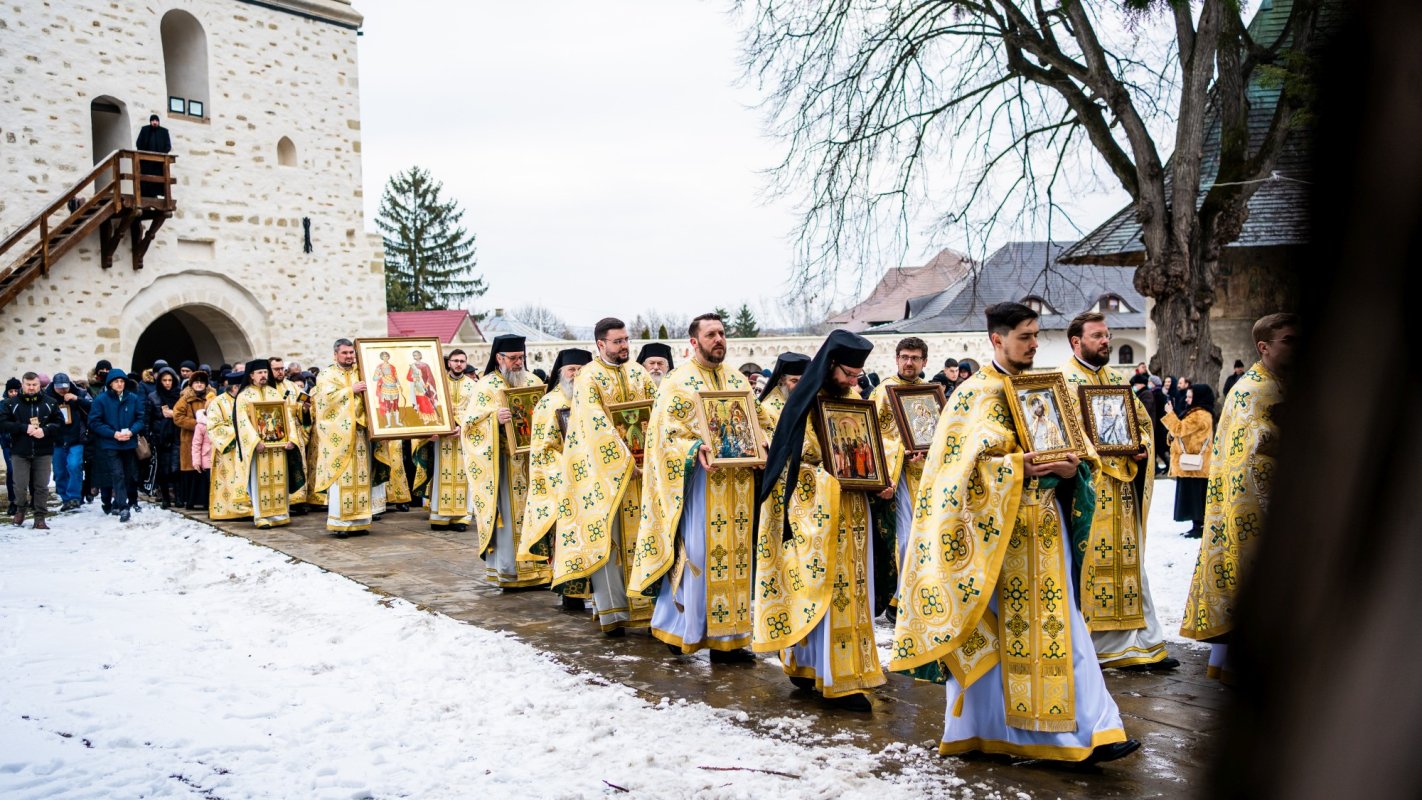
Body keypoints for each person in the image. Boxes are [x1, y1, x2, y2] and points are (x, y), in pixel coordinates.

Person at [892, 302, 1138, 764]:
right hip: (994, 541)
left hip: (1045, 529)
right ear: (996, 340)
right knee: (994, 633)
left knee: (1063, 626)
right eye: (1024, 336)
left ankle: (1094, 730)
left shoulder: (1047, 386)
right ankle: (981, 731)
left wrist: (1074, 467)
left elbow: (1080, 449)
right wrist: (1016, 467)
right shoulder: (973, 395)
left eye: (1035, 335)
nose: (1032, 344)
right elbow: (954, 475)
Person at [755, 330, 887, 711]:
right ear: (830, 366)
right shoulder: (803, 403)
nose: (852, 382)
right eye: (848, 374)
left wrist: (879, 475)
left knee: (851, 593)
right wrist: (833, 476)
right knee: (821, 592)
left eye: (858, 376)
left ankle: (831, 671)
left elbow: (872, 448)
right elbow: (797, 464)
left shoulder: (854, 401)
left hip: (854, 510)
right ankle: (830, 677)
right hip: (817, 511)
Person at [629, 313, 766, 663]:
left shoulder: (737, 379)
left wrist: (763, 444)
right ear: (694, 342)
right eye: (710, 334)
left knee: (736, 559)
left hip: (738, 487)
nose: (718, 339)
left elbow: (760, 422)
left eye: (722, 333)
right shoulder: (678, 382)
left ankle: (730, 640)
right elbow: (663, 436)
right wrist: (694, 449)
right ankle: (679, 630)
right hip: (699, 486)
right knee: (700, 558)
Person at [1181, 312, 1296, 683]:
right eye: (1289, 341)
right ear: (1264, 347)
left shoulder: (1281, 383)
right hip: (1251, 506)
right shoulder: (1251, 390)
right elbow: (1249, 456)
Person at [1061, 312, 1178, 672]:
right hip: (1090, 490)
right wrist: (1102, 452)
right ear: (1076, 342)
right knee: (1093, 566)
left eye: (1107, 335)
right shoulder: (1063, 382)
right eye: (1097, 336)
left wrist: (1141, 446)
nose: (1105, 342)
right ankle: (1099, 647)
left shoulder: (1116, 379)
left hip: (1123, 489)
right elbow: (1066, 434)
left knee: (1129, 565)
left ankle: (1142, 644)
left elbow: (1140, 423)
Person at [540, 319, 659, 635]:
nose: (624, 346)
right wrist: (625, 460)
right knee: (611, 541)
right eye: (617, 341)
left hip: (643, 475)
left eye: (626, 340)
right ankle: (613, 614)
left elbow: (656, 413)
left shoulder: (639, 373)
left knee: (646, 538)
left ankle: (648, 610)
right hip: (605, 477)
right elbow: (595, 427)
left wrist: (654, 454)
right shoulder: (588, 377)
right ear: (600, 344)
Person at [463, 334, 550, 588]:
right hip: (501, 467)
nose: (518, 363)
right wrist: (493, 419)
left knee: (536, 514)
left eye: (521, 357)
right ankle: (510, 571)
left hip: (531, 465)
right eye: (512, 358)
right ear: (499, 358)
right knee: (509, 521)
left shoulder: (532, 381)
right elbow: (470, 426)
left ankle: (539, 571)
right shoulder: (486, 386)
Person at [518, 348, 596, 611]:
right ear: (560, 373)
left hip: (598, 481)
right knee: (570, 540)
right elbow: (543, 448)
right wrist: (570, 469)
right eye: (571, 369)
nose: (576, 374)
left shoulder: (595, 399)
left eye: (581, 370)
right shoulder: (549, 403)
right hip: (567, 482)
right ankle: (571, 595)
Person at [868, 337, 933, 622]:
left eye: (915, 358)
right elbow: (870, 434)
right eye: (904, 357)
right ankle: (898, 598)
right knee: (904, 539)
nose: (909, 362)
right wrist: (900, 452)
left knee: (927, 537)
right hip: (899, 476)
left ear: (924, 362)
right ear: (896, 359)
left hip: (928, 474)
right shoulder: (883, 391)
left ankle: (920, 593)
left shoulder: (930, 392)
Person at [216, 360, 297, 528]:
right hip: (258, 448)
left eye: (265, 372)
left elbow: (287, 417)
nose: (263, 376)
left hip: (278, 446)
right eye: (260, 373)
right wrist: (255, 441)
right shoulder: (244, 396)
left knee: (279, 478)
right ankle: (262, 517)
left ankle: (280, 514)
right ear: (251, 375)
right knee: (261, 481)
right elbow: (242, 422)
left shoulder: (274, 393)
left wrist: (291, 438)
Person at [312, 339, 380, 537]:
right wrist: (351, 390)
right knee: (342, 478)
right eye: (345, 353)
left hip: (361, 433)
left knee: (362, 476)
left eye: (352, 352)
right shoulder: (326, 375)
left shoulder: (362, 371)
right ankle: (340, 522)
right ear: (335, 355)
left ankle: (361, 520)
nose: (349, 356)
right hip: (339, 436)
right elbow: (325, 401)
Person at [1, 373, 63, 528]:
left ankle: (40, 517)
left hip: (43, 451)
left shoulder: (50, 402)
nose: (31, 387)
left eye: (34, 384)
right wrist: (23, 428)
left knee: (41, 485)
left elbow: (60, 423)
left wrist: (46, 430)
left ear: (39, 385)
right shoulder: (11, 404)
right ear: (23, 385)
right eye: (28, 384)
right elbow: (2, 423)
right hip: (20, 451)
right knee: (20, 485)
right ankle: (20, 509)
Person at [88, 368, 145, 522]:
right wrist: (112, 433)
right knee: (117, 473)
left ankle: (118, 501)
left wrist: (132, 432)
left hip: (128, 442)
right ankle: (123, 506)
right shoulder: (101, 400)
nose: (119, 384)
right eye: (116, 382)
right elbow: (94, 421)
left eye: (122, 381)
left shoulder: (133, 398)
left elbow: (140, 418)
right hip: (111, 443)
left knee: (127, 474)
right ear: (110, 384)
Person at [1161, 383, 1215, 539]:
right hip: (1193, 464)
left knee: (1195, 496)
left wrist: (1170, 413)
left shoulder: (1200, 415)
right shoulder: (1197, 413)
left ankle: (1199, 526)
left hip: (1195, 465)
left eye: (1191, 396)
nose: (1187, 399)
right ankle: (1196, 525)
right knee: (1193, 495)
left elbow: (1179, 429)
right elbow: (1179, 432)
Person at [44, 373, 91, 512]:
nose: (63, 390)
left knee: (75, 466)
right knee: (59, 472)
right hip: (56, 440)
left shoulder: (80, 392)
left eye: (66, 387)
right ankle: (66, 500)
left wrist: (77, 399)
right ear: (54, 386)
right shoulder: (46, 397)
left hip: (77, 438)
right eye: (60, 388)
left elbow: (93, 406)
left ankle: (74, 497)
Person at [173, 370, 215, 510]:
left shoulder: (212, 397)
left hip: (209, 440)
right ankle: (191, 500)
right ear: (192, 385)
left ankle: (205, 500)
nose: (199, 385)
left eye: (201, 382)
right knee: (192, 469)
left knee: (206, 470)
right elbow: (177, 416)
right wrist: (196, 424)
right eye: (196, 382)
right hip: (189, 439)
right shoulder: (185, 398)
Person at [146, 366, 183, 509]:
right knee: (163, 469)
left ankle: (179, 498)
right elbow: (148, 418)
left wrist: (174, 414)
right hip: (160, 436)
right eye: (164, 380)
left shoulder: (179, 396)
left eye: (170, 380)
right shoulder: (153, 396)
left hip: (177, 434)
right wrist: (149, 437)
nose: (167, 383)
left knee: (176, 468)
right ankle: (166, 498)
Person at [759, 352, 811, 432]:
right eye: (794, 381)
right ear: (782, 380)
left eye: (803, 381)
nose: (800, 386)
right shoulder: (767, 410)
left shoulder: (812, 406)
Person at [134, 113, 172, 198]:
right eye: (153, 121)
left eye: (156, 121)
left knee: (157, 180)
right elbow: (139, 143)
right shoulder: (145, 130)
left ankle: (155, 194)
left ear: (158, 122)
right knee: (145, 179)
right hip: (146, 162)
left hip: (158, 163)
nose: (154, 122)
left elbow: (168, 146)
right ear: (150, 122)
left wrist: (161, 154)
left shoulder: (164, 132)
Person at [371, 351, 402, 429]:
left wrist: (400, 385)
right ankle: (389, 424)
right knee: (387, 406)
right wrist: (380, 376)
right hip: (385, 388)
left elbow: (396, 377)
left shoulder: (392, 367)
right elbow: (374, 378)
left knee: (396, 405)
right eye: (384, 356)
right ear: (382, 357)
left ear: (389, 357)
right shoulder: (379, 367)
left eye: (387, 356)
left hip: (394, 387)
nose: (386, 357)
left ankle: (397, 422)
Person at [407, 350, 439, 424]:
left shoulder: (425, 365)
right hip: (417, 387)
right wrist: (415, 379)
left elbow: (429, 376)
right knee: (420, 402)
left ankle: (433, 418)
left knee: (428, 402)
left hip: (426, 387)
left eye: (417, 355)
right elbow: (408, 377)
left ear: (420, 355)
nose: (416, 356)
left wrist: (427, 384)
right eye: (414, 355)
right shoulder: (412, 366)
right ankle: (425, 418)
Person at [1, 378, 15, 515]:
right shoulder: (2, 405)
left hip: (23, 443)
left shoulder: (24, 404)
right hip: (8, 443)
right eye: (11, 391)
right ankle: (13, 500)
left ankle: (31, 499)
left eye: (16, 390)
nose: (14, 393)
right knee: (11, 471)